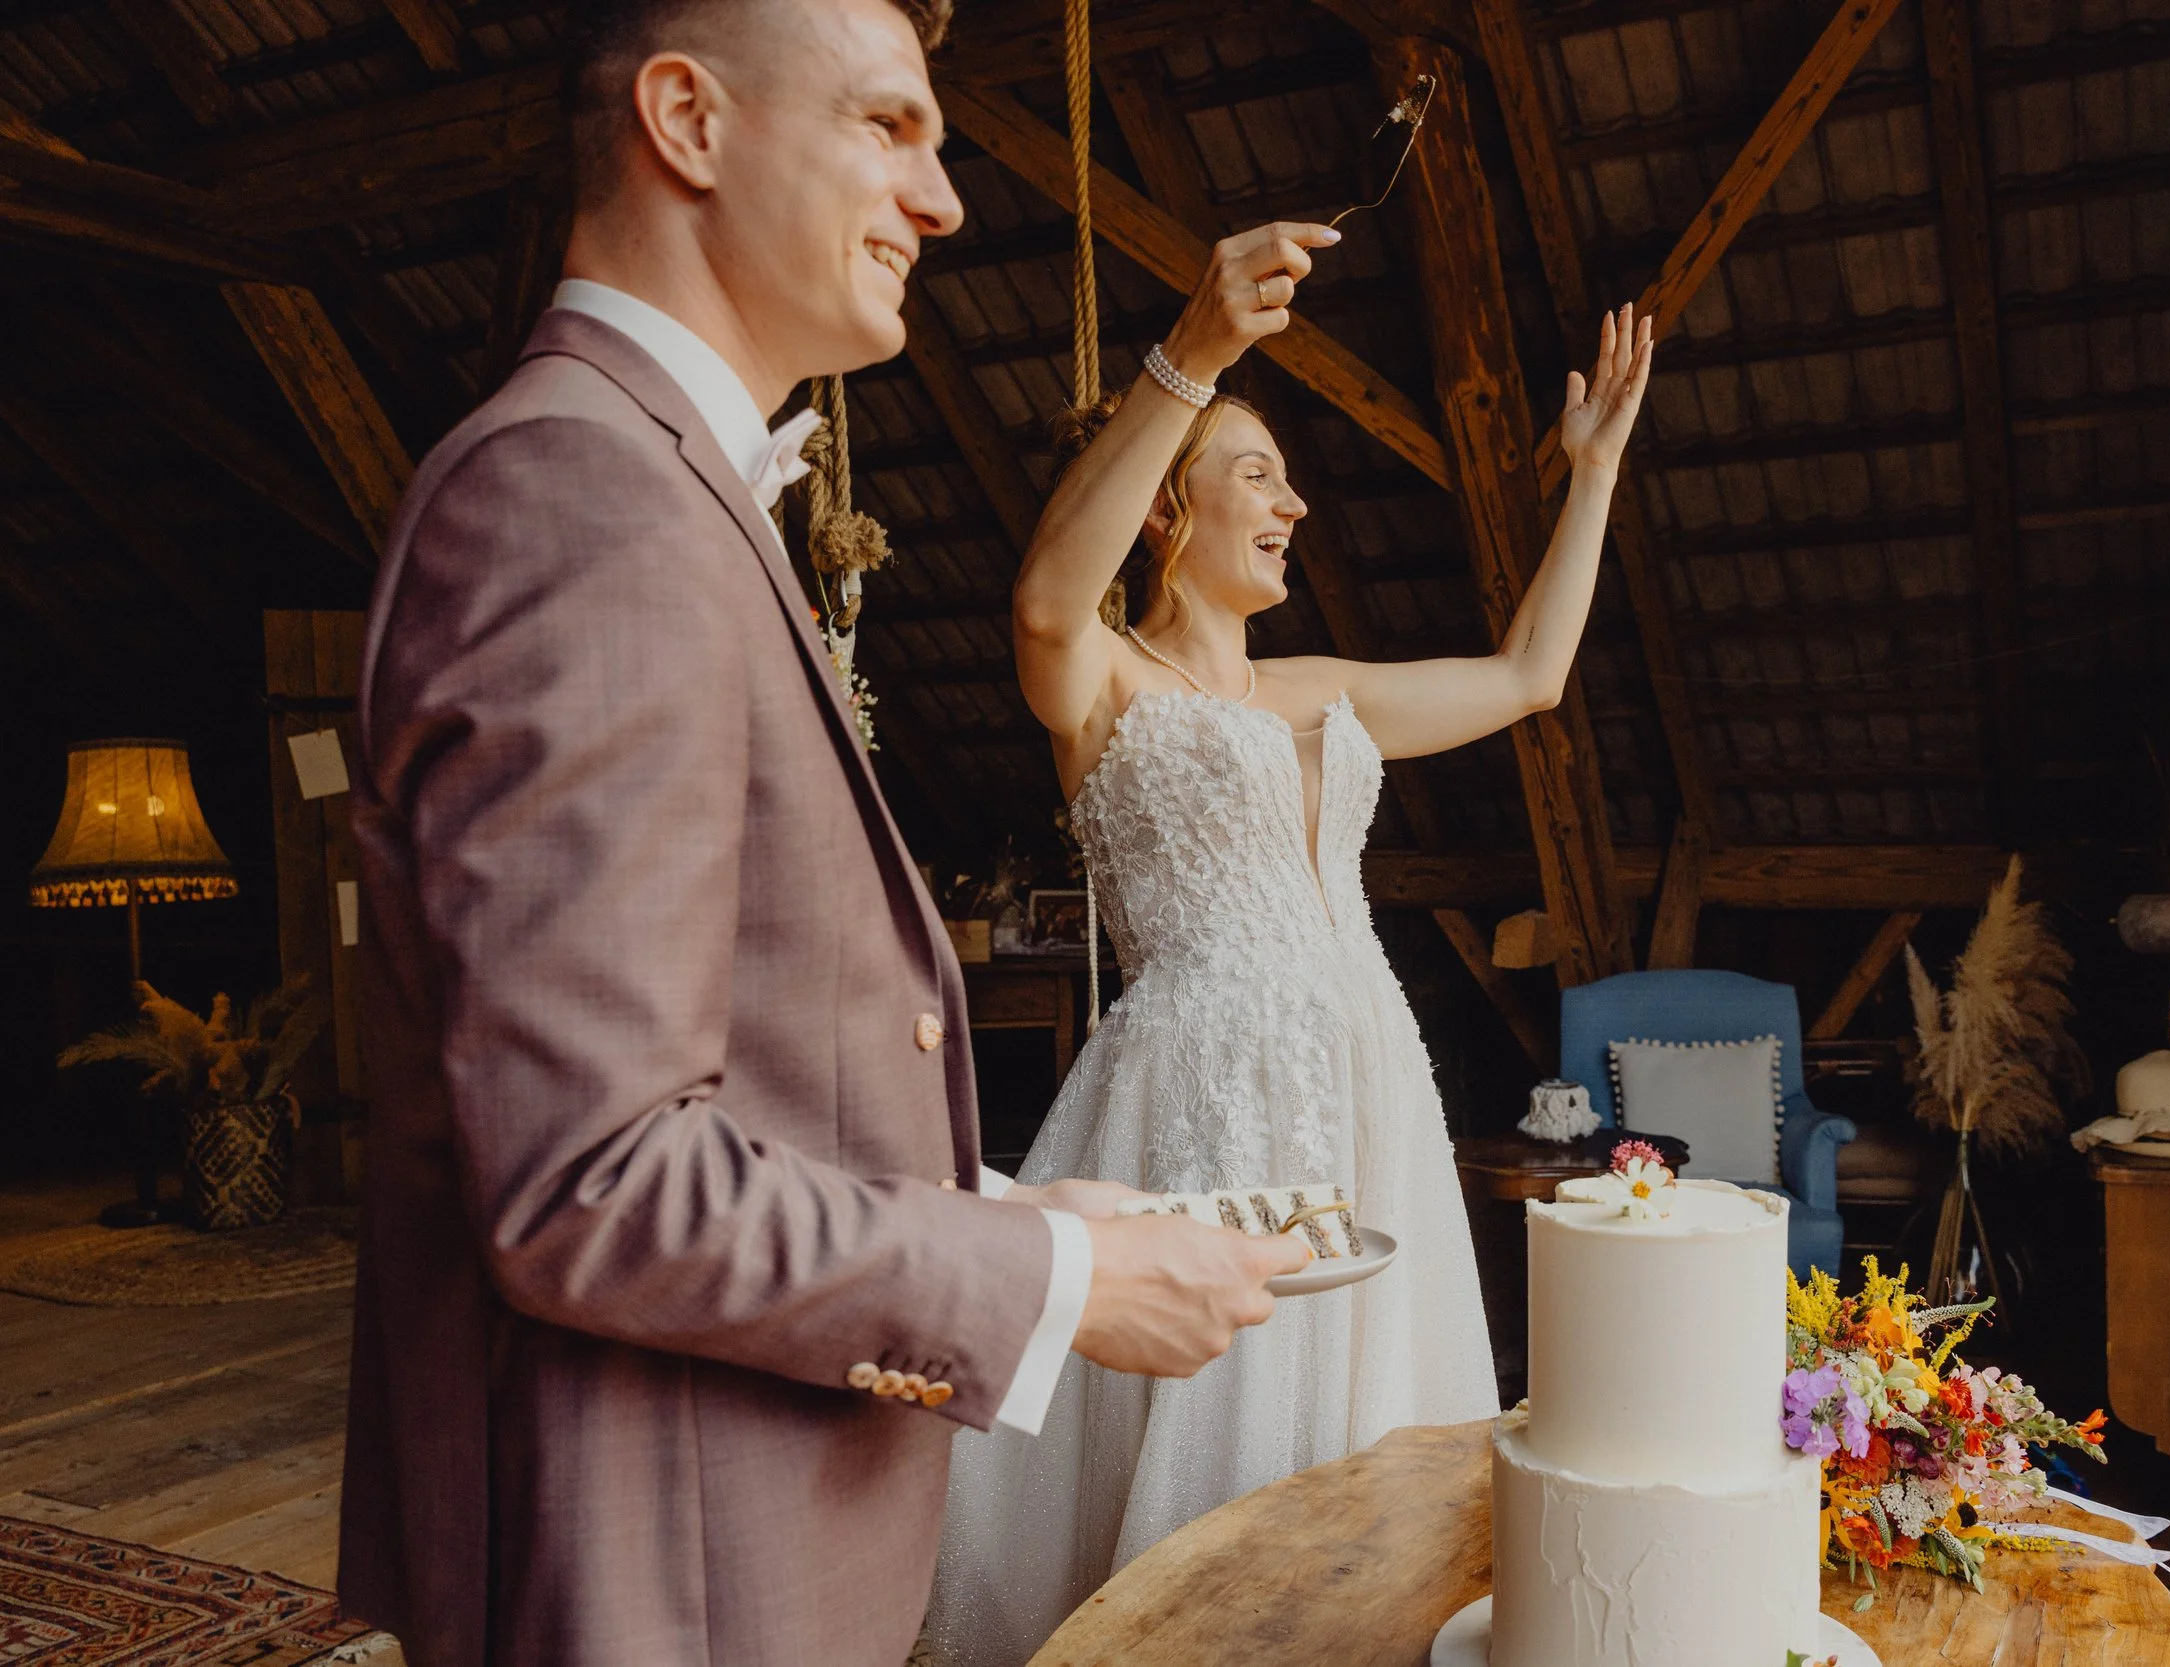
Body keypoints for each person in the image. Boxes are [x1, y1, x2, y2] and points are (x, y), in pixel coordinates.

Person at [334, 2, 1307, 1662]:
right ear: (688, 124)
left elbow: (750, 1047)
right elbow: (596, 1175)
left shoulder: (655, 484)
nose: (942, 201)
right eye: (887, 126)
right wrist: (1056, 1292)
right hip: (659, 1570)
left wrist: (1023, 1212)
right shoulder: (581, 499)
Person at [924, 223, 1656, 1664]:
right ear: (1163, 503)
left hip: (1372, 1083)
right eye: (1256, 469)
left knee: (1363, 1439)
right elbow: (1039, 598)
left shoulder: (1321, 689)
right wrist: (1192, 358)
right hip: (1209, 1096)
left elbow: (1530, 672)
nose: (1293, 502)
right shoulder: (1101, 680)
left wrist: (1599, 470)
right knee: (1226, 1432)